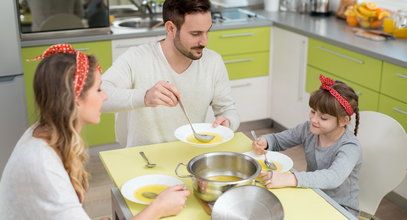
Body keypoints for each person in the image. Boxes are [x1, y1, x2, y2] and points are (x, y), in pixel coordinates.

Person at [0, 44, 190, 219]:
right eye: (98, 89)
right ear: (75, 99)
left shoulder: (43, 133)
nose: (105, 96)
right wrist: (158, 208)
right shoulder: (41, 164)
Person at [101, 0, 239, 147]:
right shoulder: (136, 58)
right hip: (143, 158)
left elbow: (227, 109)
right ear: (171, 28)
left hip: (190, 155)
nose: (205, 42)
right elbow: (98, 96)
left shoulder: (213, 62)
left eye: (207, 31)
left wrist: (228, 122)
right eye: (195, 33)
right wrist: (145, 97)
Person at [252, 74, 362, 217]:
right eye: (313, 111)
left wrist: (291, 178)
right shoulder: (308, 130)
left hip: (340, 209)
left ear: (343, 121)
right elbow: (279, 140)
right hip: (312, 194)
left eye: (323, 118)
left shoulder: (350, 147)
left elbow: (333, 177)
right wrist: (265, 141)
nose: (314, 120)